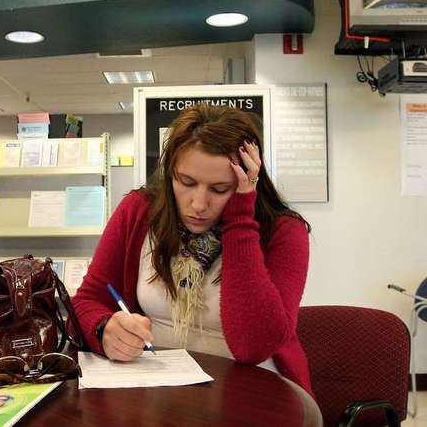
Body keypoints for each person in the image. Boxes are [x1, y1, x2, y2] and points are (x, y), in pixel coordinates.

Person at [71, 104, 312, 394]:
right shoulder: (139, 211)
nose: (198, 204)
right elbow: (87, 301)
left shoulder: (284, 232)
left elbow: (254, 347)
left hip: (251, 393)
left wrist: (240, 217)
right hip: (155, 388)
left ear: (248, 178)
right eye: (186, 182)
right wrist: (103, 329)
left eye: (220, 189)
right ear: (169, 172)